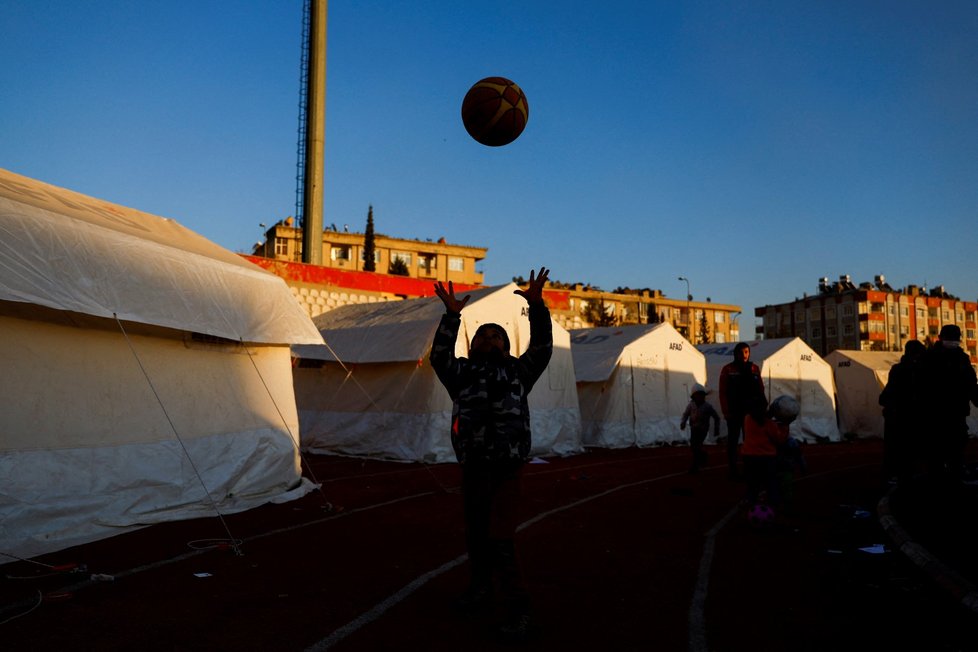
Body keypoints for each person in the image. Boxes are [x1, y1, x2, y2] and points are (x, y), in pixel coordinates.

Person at [430, 267, 552, 642]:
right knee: (477, 536)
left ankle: (519, 611)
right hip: (474, 469)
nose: (489, 338)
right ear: (472, 344)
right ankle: (481, 589)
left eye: (496, 335)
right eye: (483, 334)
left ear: (506, 345)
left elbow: (543, 348)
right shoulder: (460, 373)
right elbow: (437, 356)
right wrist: (452, 317)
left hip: (507, 470)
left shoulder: (519, 372)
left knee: (500, 537)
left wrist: (537, 307)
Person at [915, 325, 978, 484]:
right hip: (941, 416)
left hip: (947, 416)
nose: (952, 342)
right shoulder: (933, 358)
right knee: (943, 458)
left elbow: (971, 384)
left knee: (947, 458)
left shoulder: (957, 358)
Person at [879, 339, 926, 485]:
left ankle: (894, 475)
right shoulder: (916, 370)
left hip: (896, 415)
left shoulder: (898, 369)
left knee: (894, 449)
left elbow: (887, 395)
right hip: (905, 416)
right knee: (907, 450)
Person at [718, 342, 765, 480]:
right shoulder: (728, 369)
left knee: (750, 442)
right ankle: (733, 469)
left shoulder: (754, 368)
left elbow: (760, 390)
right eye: (741, 352)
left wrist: (762, 407)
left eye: (746, 352)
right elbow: (723, 392)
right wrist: (726, 411)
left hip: (751, 413)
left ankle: (749, 469)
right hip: (734, 412)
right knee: (733, 442)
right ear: (735, 354)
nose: (744, 355)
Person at [741, 395, 790, 509]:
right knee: (771, 483)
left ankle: (750, 502)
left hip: (749, 458)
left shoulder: (747, 419)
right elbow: (780, 440)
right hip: (767, 459)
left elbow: (759, 417)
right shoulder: (770, 424)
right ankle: (775, 503)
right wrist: (785, 426)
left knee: (752, 484)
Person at [680, 383, 720, 474]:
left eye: (701, 395)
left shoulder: (707, 406)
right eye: (698, 395)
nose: (700, 397)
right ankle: (702, 456)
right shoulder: (691, 405)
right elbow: (685, 414)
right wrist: (683, 422)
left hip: (703, 430)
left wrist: (716, 428)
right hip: (694, 428)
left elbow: (716, 417)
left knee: (696, 445)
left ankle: (695, 465)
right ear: (694, 397)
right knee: (694, 446)